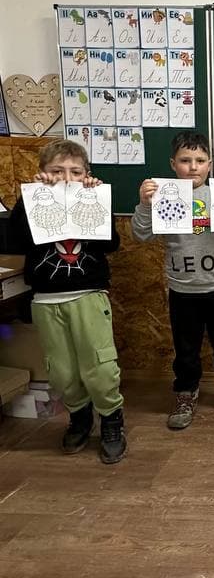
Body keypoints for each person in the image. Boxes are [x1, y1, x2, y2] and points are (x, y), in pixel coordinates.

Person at [131, 130, 214, 430]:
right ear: (173, 164)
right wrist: (144, 205)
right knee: (186, 349)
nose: (193, 166)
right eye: (185, 160)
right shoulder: (165, 195)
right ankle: (185, 394)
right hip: (183, 289)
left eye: (200, 160)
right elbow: (141, 235)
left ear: (210, 164)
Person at [7, 139, 126, 465]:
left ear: (86, 174)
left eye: (75, 171)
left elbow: (111, 243)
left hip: (88, 295)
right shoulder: (32, 205)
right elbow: (15, 241)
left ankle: (112, 420)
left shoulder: (91, 198)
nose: (66, 177)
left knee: (99, 367)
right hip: (46, 299)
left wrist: (96, 199)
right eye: (56, 171)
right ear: (43, 174)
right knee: (61, 371)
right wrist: (28, 199)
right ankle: (79, 417)